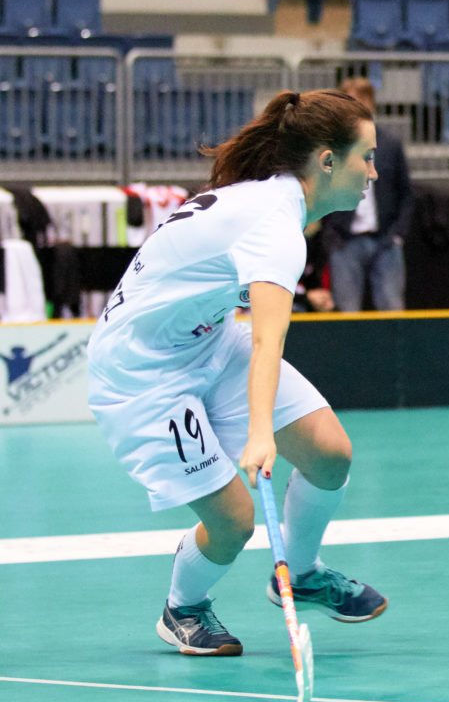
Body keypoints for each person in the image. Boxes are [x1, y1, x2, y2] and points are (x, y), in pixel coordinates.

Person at [87, 90, 388, 656]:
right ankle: (182, 608)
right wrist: (259, 434)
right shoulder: (274, 226)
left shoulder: (274, 200)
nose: (374, 172)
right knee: (234, 521)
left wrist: (260, 428)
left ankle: (300, 574)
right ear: (327, 160)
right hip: (144, 371)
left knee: (330, 455)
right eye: (366, 157)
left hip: (207, 339)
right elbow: (268, 340)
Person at [322, 77, 415, 311]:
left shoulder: (390, 144)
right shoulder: (332, 147)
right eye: (348, 101)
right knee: (347, 313)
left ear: (371, 104)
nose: (355, 107)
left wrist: (397, 234)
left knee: (392, 310)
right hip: (345, 242)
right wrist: (331, 233)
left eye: (361, 100)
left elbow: (406, 193)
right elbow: (321, 191)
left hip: (385, 241)